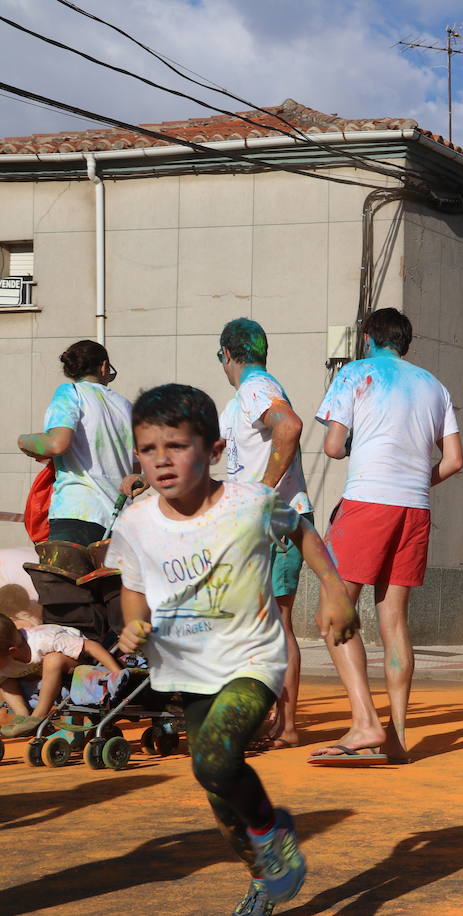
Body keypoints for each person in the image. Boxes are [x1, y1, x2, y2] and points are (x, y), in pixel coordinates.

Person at [106, 383, 358, 914]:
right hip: (185, 669)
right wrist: (133, 625)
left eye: (175, 446)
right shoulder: (134, 524)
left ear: (215, 451)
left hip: (253, 660)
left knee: (217, 761)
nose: (161, 461)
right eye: (148, 450)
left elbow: (305, 532)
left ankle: (273, 830)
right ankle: (265, 876)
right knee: (217, 791)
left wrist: (335, 591)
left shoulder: (251, 504)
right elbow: (132, 586)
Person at [311, 308, 463, 765]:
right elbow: (454, 460)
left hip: (367, 502)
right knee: (393, 621)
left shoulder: (356, 372)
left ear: (367, 338)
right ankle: (396, 737)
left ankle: (364, 723)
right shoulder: (435, 386)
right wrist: (412, 478)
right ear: (406, 343)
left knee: (333, 615)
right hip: (414, 506)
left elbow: (334, 446)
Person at [216, 318, 313, 750]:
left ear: (228, 356)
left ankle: (286, 724)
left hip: (273, 523)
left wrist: (260, 491)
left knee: (275, 627)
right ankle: (270, 718)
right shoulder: (241, 400)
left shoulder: (257, 387)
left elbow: (289, 426)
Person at [17, 340, 134, 546]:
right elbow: (136, 467)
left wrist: (24, 441)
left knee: (64, 579)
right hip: (121, 523)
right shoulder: (127, 407)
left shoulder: (71, 393)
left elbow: (56, 444)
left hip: (76, 514)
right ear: (104, 367)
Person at [1, 616, 123, 736]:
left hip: (81, 666)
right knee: (4, 679)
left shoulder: (46, 639)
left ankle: (39, 715)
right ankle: (22, 715)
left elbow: (90, 646)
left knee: (53, 660)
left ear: (12, 651)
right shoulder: (7, 657)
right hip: (43, 675)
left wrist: (117, 674)